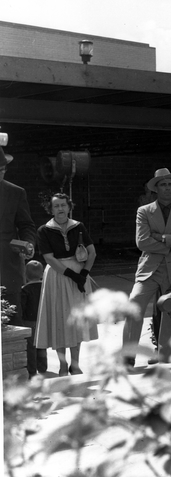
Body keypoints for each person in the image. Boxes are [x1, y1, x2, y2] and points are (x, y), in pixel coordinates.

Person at [122, 168, 171, 367]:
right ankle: (128, 356)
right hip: (149, 269)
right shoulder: (144, 211)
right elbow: (142, 242)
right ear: (156, 188)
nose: (167, 188)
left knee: (170, 309)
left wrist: (162, 238)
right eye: (163, 184)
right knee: (134, 304)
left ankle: (163, 355)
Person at [34, 193, 98, 376]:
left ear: (69, 207)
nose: (60, 209)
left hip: (79, 276)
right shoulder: (44, 230)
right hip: (57, 277)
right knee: (59, 320)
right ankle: (63, 366)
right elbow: (49, 259)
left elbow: (92, 253)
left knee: (76, 321)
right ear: (51, 209)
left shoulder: (78, 227)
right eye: (56, 206)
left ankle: (75, 364)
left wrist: (83, 275)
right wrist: (72, 275)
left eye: (63, 205)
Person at [0, 144, 38, 376]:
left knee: (16, 318)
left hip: (8, 265)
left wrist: (29, 243)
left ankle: (29, 374)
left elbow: (26, 226)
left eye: (3, 169)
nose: (1, 172)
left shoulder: (16, 192)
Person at [20, 260, 46, 376]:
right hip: (43, 320)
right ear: (42, 274)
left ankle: (32, 370)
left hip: (29, 321)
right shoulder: (45, 288)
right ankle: (43, 366)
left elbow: (22, 306)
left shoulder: (24, 290)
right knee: (42, 344)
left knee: (31, 346)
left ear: (26, 275)